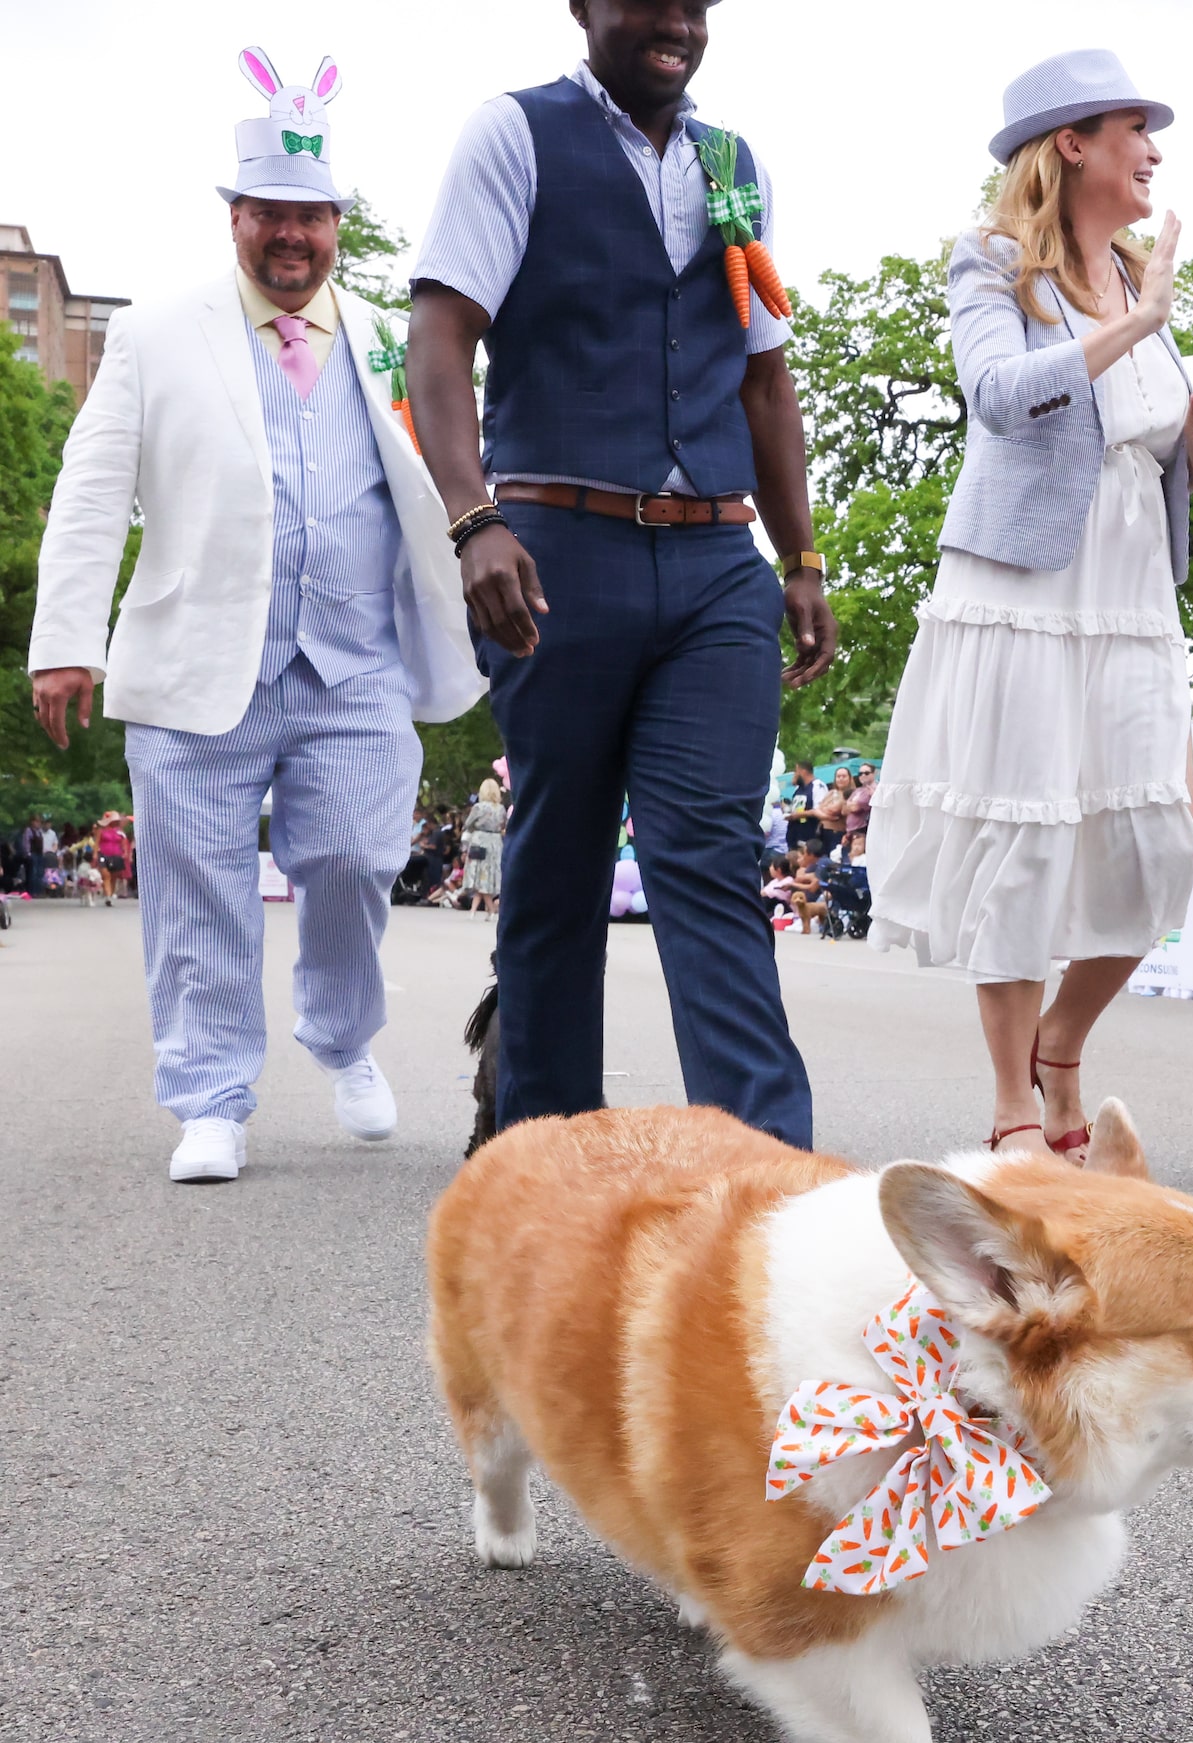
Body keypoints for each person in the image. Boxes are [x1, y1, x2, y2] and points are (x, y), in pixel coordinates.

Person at [26, 51, 483, 1183]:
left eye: (313, 219)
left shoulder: (392, 337)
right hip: (195, 664)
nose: (293, 238)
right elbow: (91, 490)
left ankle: (339, 1035)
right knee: (194, 886)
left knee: (357, 855)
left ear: (337, 225)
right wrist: (66, 642)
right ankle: (212, 1098)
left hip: (356, 664)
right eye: (270, 215)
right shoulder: (156, 333)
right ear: (235, 218)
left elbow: (455, 471)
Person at [408, 0, 836, 1150]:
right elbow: (441, 335)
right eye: (650, 2)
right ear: (583, 6)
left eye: (697, 7)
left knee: (710, 855)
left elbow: (764, 379)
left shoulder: (732, 162)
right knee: (557, 863)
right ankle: (539, 1154)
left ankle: (768, 1168)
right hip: (557, 552)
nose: (678, 24)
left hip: (712, 562)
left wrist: (798, 560)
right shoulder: (514, 135)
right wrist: (472, 517)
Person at [869, 51, 1193, 1161]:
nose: (1153, 148)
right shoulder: (993, 261)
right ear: (1071, 143)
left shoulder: (1132, 278)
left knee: (1161, 846)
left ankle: (1061, 1047)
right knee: (1021, 830)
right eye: (1133, 128)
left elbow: (1159, 447)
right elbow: (1003, 397)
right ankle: (1016, 1104)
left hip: (1130, 595)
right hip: (1022, 586)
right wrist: (1134, 324)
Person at [463, 777, 507, 915]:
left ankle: (484, 907)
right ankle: (485, 906)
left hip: (480, 840)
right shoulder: (500, 809)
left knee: (478, 871)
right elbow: (503, 825)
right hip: (495, 841)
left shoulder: (478, 807)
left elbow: (468, 824)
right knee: (490, 872)